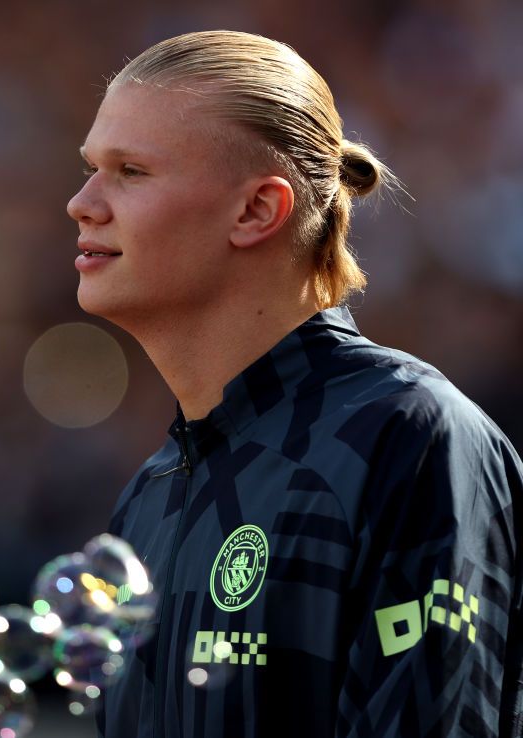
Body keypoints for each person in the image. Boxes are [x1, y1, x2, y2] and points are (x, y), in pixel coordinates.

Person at [67, 30, 522, 737]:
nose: (82, 202)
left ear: (257, 210)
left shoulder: (407, 435)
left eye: (130, 171)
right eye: (92, 167)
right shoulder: (145, 500)